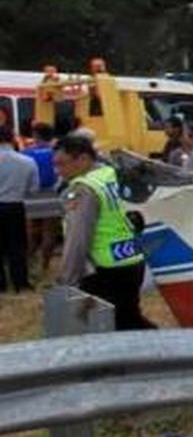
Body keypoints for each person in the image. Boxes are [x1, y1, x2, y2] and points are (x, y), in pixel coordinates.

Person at [53, 134, 155, 330]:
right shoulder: (110, 173)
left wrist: (68, 279)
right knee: (128, 317)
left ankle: (162, 351)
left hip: (103, 269)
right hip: (131, 259)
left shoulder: (83, 189)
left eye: (62, 164)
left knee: (110, 326)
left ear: (83, 159)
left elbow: (78, 238)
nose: (58, 171)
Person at [0, 125, 39, 292]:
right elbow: (33, 189)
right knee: (17, 246)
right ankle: (20, 282)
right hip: (15, 206)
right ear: (12, 139)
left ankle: (1, 284)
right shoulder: (27, 161)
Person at [21, 123, 59, 275]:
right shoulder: (56, 152)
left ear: (36, 135)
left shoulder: (26, 153)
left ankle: (29, 262)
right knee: (49, 231)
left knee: (29, 231)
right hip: (51, 192)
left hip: (30, 193)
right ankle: (45, 265)